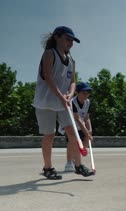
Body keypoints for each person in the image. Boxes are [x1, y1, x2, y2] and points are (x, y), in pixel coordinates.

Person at [33, 26, 92, 179]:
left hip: (63, 102)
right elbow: (47, 77)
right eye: (68, 39)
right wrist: (61, 96)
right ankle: (47, 168)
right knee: (49, 135)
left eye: (72, 40)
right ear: (57, 37)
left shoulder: (72, 61)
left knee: (72, 133)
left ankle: (78, 165)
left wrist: (70, 94)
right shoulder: (49, 54)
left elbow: (73, 82)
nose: (70, 43)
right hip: (45, 102)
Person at [61, 82, 94, 175]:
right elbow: (77, 118)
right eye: (84, 93)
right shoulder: (72, 102)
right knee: (72, 142)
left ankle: (77, 158)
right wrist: (87, 132)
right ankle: (69, 162)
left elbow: (87, 117)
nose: (86, 95)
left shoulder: (87, 102)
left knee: (85, 141)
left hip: (80, 126)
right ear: (77, 92)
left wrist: (89, 130)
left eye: (88, 93)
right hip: (70, 124)